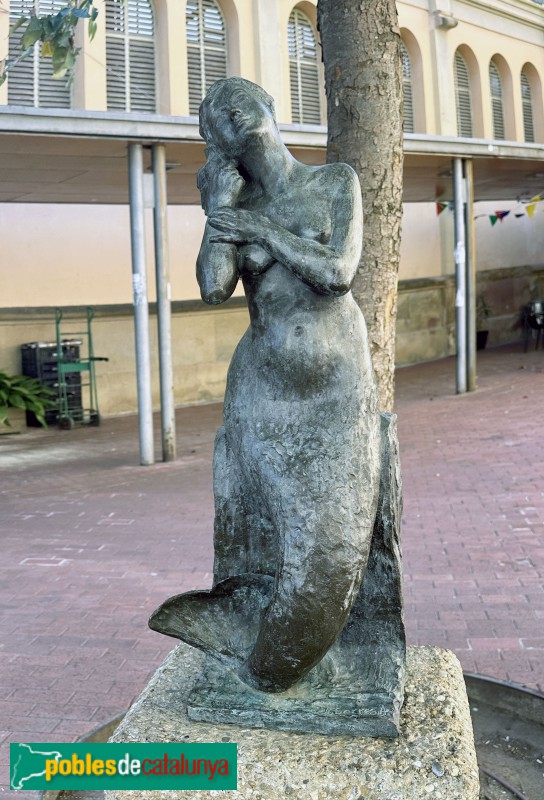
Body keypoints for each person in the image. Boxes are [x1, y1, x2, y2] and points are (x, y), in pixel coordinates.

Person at [152, 77, 381, 694]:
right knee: (253, 531)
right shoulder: (235, 204)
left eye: (238, 99)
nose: (226, 110)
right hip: (260, 387)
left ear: (271, 108)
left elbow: (337, 272)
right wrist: (217, 213)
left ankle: (283, 658)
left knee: (329, 556)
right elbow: (213, 287)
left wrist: (261, 230)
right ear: (216, 142)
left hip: (333, 387)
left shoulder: (333, 182)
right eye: (213, 115)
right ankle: (243, 628)